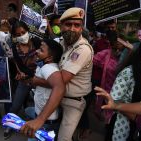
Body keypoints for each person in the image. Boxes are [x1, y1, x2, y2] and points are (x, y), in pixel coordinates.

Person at [22, 7, 93, 141]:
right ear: (60, 26)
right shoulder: (61, 42)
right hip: (57, 97)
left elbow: (61, 82)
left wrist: (35, 81)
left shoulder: (82, 49)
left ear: (81, 27)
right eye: (68, 24)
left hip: (73, 102)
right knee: (50, 131)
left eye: (77, 25)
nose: (72, 28)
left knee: (63, 138)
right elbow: (44, 52)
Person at [20, 39, 65, 141]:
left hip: (46, 123)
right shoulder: (43, 66)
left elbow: (59, 87)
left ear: (50, 58)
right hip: (43, 117)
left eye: (41, 50)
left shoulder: (48, 68)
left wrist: (39, 120)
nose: (36, 51)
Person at [4, 21, 41, 139]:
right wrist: (20, 74)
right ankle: (9, 125)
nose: (21, 35)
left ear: (28, 31)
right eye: (18, 34)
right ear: (14, 36)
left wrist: (29, 74)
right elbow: (18, 64)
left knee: (39, 105)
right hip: (24, 81)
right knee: (16, 105)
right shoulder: (15, 47)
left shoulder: (37, 42)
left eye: (23, 32)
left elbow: (44, 60)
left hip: (39, 80)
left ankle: (37, 127)